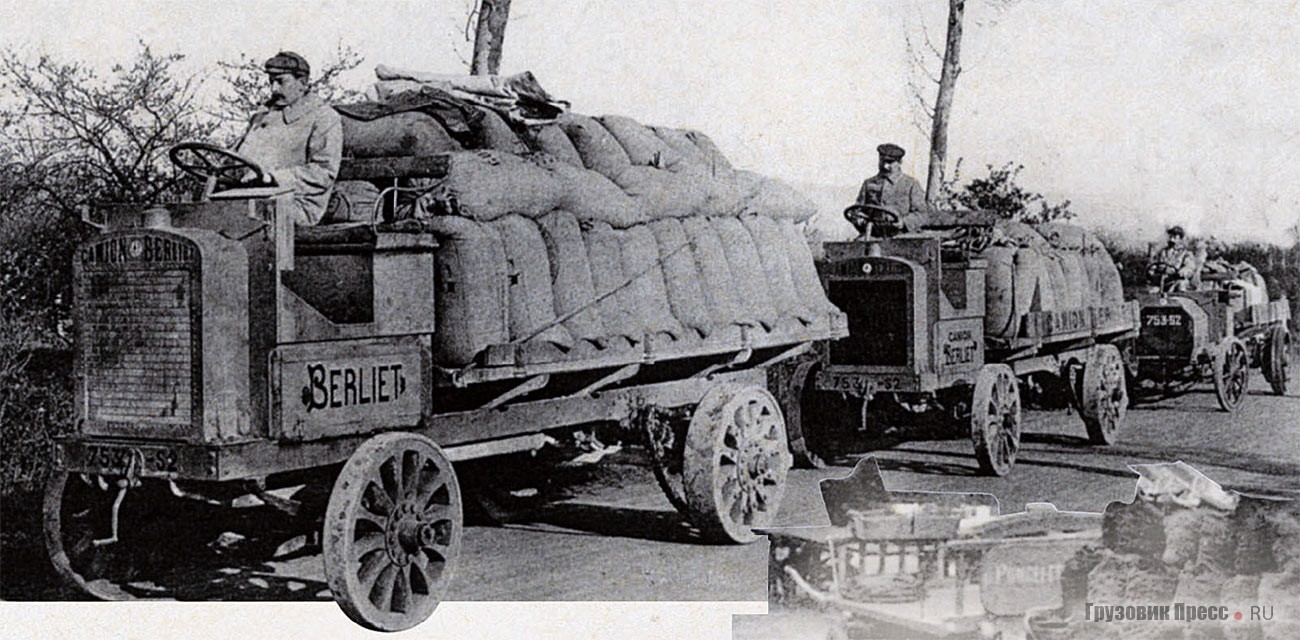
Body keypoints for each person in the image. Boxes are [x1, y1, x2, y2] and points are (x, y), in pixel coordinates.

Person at [235, 51, 342, 225]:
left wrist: (272, 178)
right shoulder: (261, 116)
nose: (274, 89)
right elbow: (237, 157)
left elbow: (323, 173)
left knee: (239, 218)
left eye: (281, 81)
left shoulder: (324, 117)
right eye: (271, 81)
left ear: (302, 83)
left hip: (296, 203)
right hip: (251, 197)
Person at [854, 143, 930, 232]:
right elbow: (858, 209)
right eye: (882, 161)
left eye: (890, 162)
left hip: (902, 235)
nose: (885, 166)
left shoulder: (911, 184)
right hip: (872, 234)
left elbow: (922, 214)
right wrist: (858, 217)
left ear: (900, 162)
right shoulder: (869, 184)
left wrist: (904, 222)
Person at [1147, 225, 1197, 290]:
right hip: (1162, 281)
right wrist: (1151, 272)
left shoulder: (1185, 253)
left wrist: (1181, 272)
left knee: (1181, 285)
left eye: (1174, 237)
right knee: (1151, 291)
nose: (1171, 239)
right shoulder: (1162, 252)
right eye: (1170, 236)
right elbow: (1153, 264)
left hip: (1176, 280)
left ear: (1180, 239)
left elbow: (1189, 267)